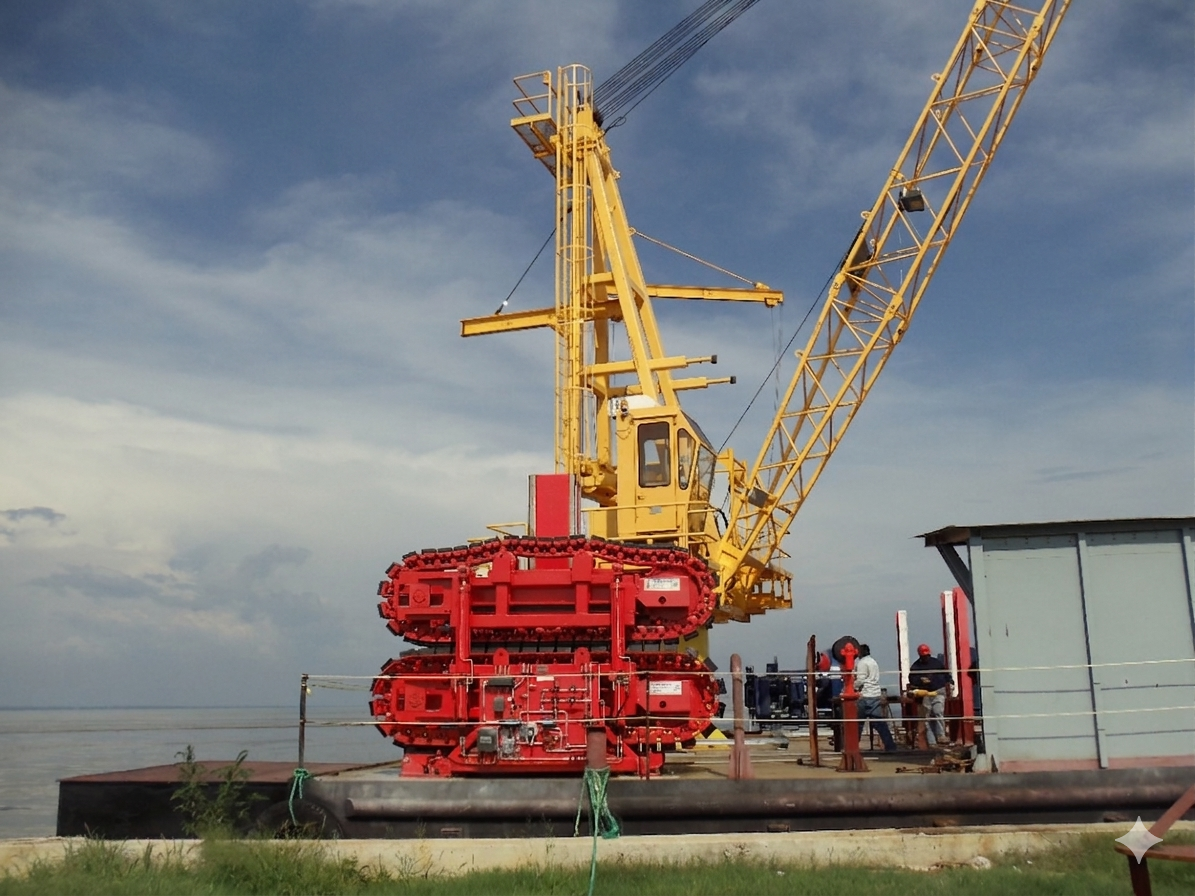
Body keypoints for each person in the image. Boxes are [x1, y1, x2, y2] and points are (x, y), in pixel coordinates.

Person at [853, 643, 898, 752]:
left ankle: (853, 747)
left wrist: (851, 687)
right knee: (880, 723)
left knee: (858, 724)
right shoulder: (873, 662)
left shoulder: (862, 663)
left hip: (865, 695)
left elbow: (860, 680)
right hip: (875, 694)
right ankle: (890, 746)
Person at [909, 643, 952, 746]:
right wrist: (920, 681)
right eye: (923, 656)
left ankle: (941, 735)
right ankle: (932, 741)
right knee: (927, 718)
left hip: (938, 691)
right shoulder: (916, 667)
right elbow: (912, 679)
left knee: (938, 712)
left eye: (927, 656)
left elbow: (945, 674)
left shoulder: (937, 663)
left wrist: (950, 681)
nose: (925, 658)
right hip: (925, 694)